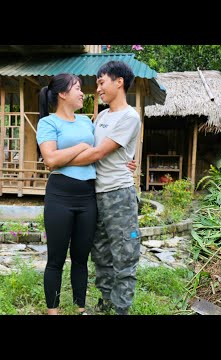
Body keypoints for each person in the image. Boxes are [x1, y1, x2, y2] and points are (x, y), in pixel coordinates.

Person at [65, 61, 142, 315]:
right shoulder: (102, 116)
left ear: (119, 82)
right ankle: (106, 301)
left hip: (119, 194)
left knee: (124, 253)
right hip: (95, 193)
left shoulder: (129, 116)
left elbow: (97, 152)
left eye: (101, 82)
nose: (97, 89)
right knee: (100, 252)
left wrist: (56, 160)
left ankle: (121, 308)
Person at [37, 74, 96, 315]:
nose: (82, 93)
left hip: (88, 196)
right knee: (56, 260)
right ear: (62, 94)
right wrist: (83, 148)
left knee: (81, 258)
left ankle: (80, 308)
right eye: (78, 88)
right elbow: (51, 159)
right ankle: (54, 311)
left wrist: (123, 164)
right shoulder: (48, 123)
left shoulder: (86, 122)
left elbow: (100, 154)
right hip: (60, 196)